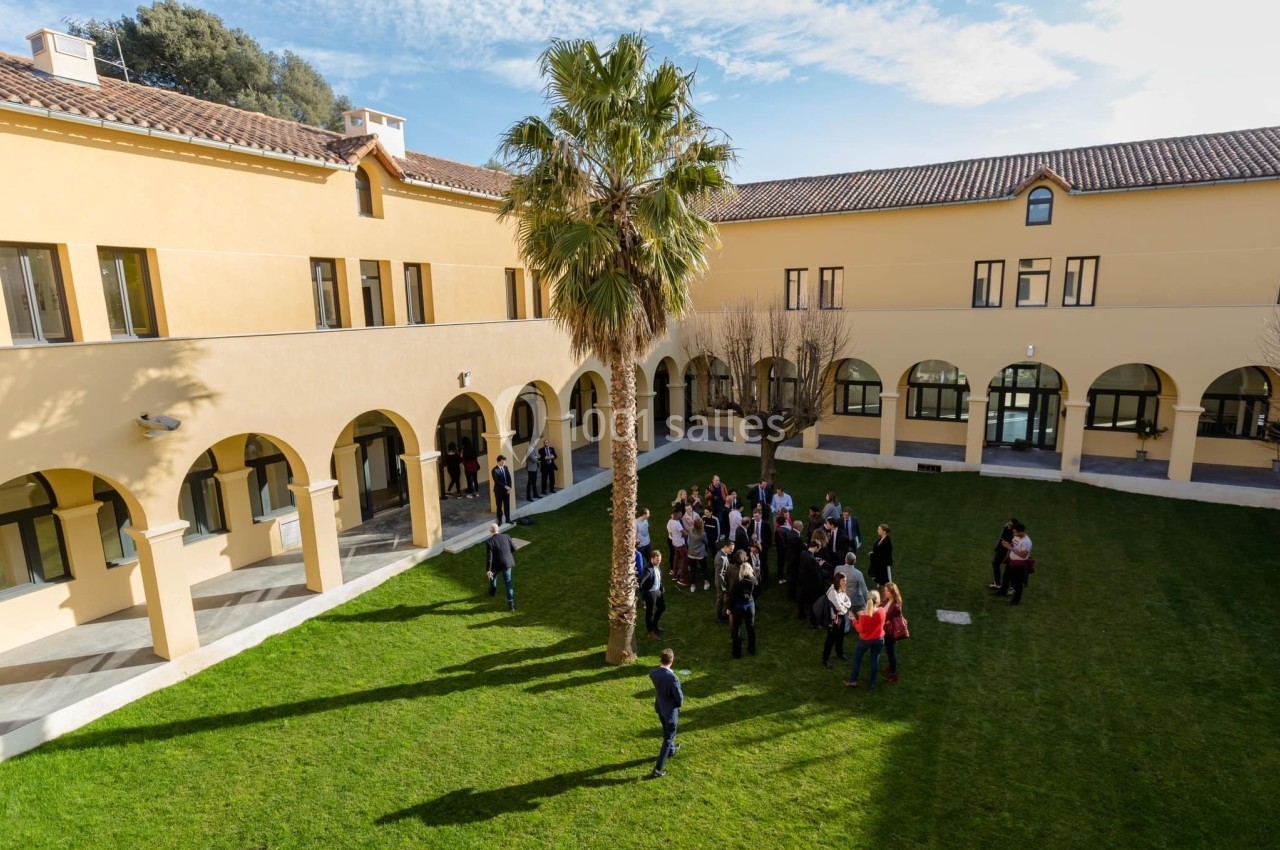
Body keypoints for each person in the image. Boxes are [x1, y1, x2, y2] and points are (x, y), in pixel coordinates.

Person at [649, 648, 684, 779]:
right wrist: (678, 705)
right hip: (670, 712)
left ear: (660, 660)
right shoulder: (673, 678)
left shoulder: (654, 673)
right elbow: (679, 699)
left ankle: (671, 750)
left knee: (666, 730)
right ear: (672, 660)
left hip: (660, 708)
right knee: (668, 738)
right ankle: (658, 769)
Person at [844, 590, 886, 689]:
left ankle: (853, 681)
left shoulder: (863, 615)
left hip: (865, 641)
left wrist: (854, 620)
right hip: (879, 639)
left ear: (867, 600)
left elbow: (860, 629)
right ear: (878, 600)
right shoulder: (882, 611)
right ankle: (872, 683)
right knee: (874, 659)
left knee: (857, 659)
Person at [822, 572, 853, 669]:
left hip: (842, 616)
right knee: (831, 639)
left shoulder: (841, 588)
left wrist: (843, 605)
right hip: (834, 619)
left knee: (840, 636)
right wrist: (844, 606)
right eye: (843, 580)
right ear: (837, 580)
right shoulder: (832, 591)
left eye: (845, 580)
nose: (845, 582)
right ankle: (825, 659)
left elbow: (848, 602)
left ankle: (840, 652)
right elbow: (838, 606)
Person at [999, 522, 1033, 605]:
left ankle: (1016, 600)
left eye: (1015, 532)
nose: (1013, 534)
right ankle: (1003, 591)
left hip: (1019, 564)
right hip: (1011, 560)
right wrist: (1008, 544)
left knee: (1018, 582)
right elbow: (1014, 544)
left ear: (1020, 532)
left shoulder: (1026, 542)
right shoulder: (1016, 536)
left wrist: (1010, 548)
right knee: (1006, 576)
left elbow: (1023, 555)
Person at [728, 561, 758, 658]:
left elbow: (732, 596)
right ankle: (752, 649)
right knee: (751, 627)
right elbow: (758, 591)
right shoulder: (754, 580)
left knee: (737, 628)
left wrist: (729, 608)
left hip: (739, 607)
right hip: (750, 606)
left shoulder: (738, 583)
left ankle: (736, 653)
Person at [484, 523, 517, 611]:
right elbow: (514, 548)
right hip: (507, 563)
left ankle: (492, 592)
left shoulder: (489, 541)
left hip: (496, 565)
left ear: (490, 531)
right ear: (498, 530)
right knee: (508, 583)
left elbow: (489, 557)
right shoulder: (506, 536)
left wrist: (488, 570)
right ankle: (511, 605)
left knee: (492, 577)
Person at [881, 582, 907, 682]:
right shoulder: (887, 600)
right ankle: (891, 666)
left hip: (890, 633)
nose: (885, 593)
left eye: (887, 591)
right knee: (888, 650)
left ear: (893, 592)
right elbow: (881, 607)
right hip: (885, 630)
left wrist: (886, 621)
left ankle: (893, 674)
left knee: (891, 652)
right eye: (885, 591)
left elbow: (889, 618)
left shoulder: (895, 606)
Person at [797, 539, 824, 628]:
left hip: (803, 581)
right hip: (811, 584)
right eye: (818, 549)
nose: (818, 550)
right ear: (816, 547)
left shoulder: (803, 553)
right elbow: (815, 573)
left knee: (802, 599)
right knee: (813, 603)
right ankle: (814, 623)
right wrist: (819, 565)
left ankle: (801, 614)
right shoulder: (812, 559)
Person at [641, 550, 666, 638]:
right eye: (657, 560)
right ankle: (650, 632)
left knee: (662, 608)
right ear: (652, 559)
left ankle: (655, 626)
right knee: (650, 613)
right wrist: (644, 594)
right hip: (651, 593)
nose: (658, 562)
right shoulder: (648, 569)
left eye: (660, 560)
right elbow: (641, 581)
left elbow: (658, 577)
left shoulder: (657, 566)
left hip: (658, 591)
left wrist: (661, 586)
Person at [989, 517, 1017, 590]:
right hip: (1001, 549)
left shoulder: (1014, 534)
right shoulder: (1006, 527)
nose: (1008, 525)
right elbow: (1001, 538)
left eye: (1010, 525)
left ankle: (1002, 584)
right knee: (995, 564)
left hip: (1006, 551)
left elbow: (1012, 545)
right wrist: (997, 547)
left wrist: (1007, 556)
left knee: (999, 566)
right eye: (1009, 523)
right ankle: (998, 582)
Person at [713, 538, 734, 623]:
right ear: (725, 547)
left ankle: (721, 615)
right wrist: (724, 586)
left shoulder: (722, 553)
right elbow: (719, 574)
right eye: (731, 549)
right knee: (720, 600)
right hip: (721, 583)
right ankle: (718, 617)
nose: (732, 551)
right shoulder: (721, 558)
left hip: (721, 582)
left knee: (722, 600)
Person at [749, 508, 771, 586]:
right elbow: (749, 533)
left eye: (757, 516)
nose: (756, 518)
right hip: (753, 545)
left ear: (761, 515)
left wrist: (766, 546)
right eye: (754, 516)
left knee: (763, 562)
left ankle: (765, 578)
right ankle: (754, 577)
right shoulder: (751, 523)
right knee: (753, 561)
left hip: (762, 545)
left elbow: (769, 537)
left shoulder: (766, 524)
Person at [666, 508, 688, 585]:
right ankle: (682, 578)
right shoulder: (677, 524)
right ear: (676, 514)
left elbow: (671, 534)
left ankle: (674, 574)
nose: (681, 515)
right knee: (685, 559)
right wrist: (687, 532)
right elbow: (685, 533)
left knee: (676, 558)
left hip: (674, 543)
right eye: (680, 514)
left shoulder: (670, 522)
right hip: (681, 544)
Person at [686, 516, 708, 592]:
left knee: (692, 570)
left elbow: (688, 541)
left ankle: (692, 585)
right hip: (700, 554)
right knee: (704, 568)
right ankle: (706, 583)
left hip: (691, 553)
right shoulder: (703, 534)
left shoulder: (690, 531)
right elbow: (706, 542)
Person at [491, 455, 513, 524]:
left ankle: (508, 519)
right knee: (499, 506)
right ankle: (500, 520)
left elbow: (509, 478)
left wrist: (510, 487)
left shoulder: (506, 468)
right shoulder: (494, 470)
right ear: (498, 461)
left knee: (507, 505)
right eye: (502, 461)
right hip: (499, 491)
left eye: (504, 461)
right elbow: (497, 481)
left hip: (506, 491)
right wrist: (506, 486)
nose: (503, 463)